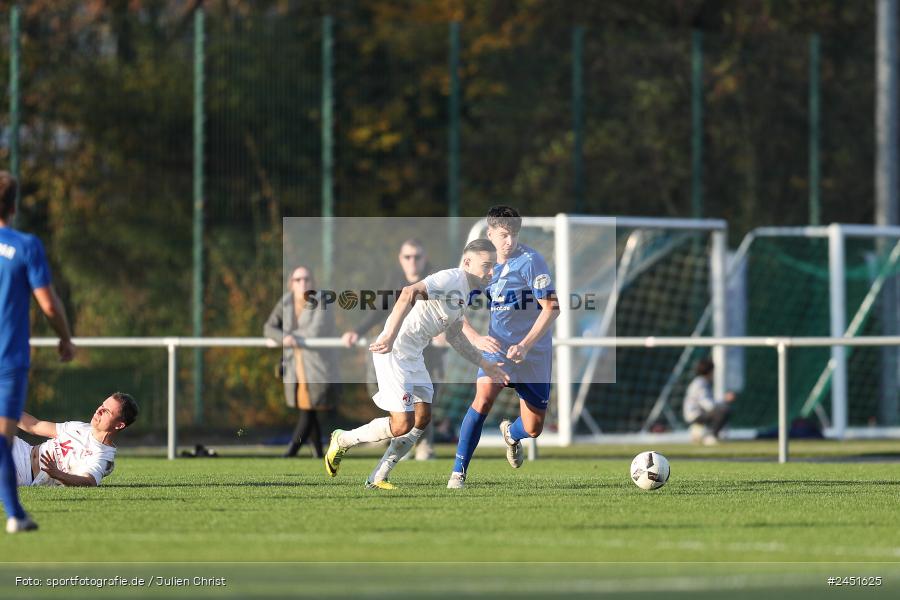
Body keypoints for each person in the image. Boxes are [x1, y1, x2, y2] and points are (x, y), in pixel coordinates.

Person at [324, 239, 508, 489]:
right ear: (467, 262)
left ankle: (378, 477)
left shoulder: (465, 292)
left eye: (493, 266)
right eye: (486, 265)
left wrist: (483, 364)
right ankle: (342, 439)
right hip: (394, 352)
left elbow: (455, 334)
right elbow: (408, 292)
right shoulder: (451, 278)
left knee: (422, 418)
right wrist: (389, 335)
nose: (491, 272)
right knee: (402, 423)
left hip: (414, 356)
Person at [448, 205, 560, 489]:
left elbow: (552, 308)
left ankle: (511, 433)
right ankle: (458, 473)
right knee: (483, 398)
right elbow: (453, 308)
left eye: (514, 235)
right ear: (490, 233)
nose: (510, 241)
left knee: (533, 428)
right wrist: (475, 338)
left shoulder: (531, 261)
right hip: (497, 348)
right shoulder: (482, 264)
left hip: (533, 352)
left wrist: (524, 345)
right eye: (504, 235)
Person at [0, 172, 76, 533]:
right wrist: (65, 338)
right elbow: (48, 304)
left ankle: (14, 511)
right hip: (9, 357)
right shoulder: (26, 245)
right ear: (14, 207)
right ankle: (14, 514)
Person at [341, 239, 446, 461]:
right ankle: (400, 441)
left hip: (428, 354)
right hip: (399, 353)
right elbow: (379, 309)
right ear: (401, 259)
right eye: (407, 257)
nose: (413, 261)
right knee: (400, 401)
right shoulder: (395, 281)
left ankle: (424, 445)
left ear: (425, 258)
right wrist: (357, 331)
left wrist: (443, 331)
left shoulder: (435, 279)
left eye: (417, 257)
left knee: (426, 402)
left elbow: (450, 308)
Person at [265, 266, 338, 459]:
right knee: (307, 409)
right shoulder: (286, 301)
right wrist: (283, 338)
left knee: (308, 410)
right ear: (291, 283)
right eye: (297, 279)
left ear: (313, 282)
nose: (302, 283)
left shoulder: (321, 300)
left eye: (306, 279)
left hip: (316, 365)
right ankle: (318, 454)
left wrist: (288, 337)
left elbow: (316, 330)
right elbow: (269, 327)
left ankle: (290, 453)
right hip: (294, 365)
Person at [13, 392, 138, 487]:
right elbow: (35, 425)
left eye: (106, 411)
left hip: (24, 474)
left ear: (119, 425)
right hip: (21, 449)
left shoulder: (103, 456)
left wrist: (57, 474)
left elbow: (89, 481)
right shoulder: (79, 427)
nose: (99, 410)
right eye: (102, 405)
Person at [682, 357, 736, 445]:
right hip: (695, 415)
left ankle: (698, 431)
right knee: (724, 410)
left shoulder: (701, 382)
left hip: (696, 414)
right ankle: (711, 436)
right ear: (710, 371)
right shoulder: (700, 384)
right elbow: (707, 404)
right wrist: (724, 400)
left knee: (721, 409)